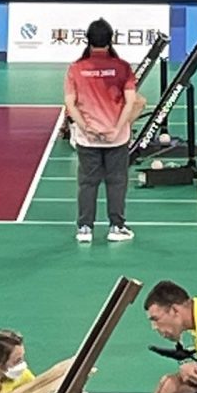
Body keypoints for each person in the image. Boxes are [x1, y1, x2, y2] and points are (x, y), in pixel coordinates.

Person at [64, 18, 140, 244]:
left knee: (87, 183)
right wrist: (117, 128)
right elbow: (131, 102)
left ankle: (85, 228)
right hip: (116, 138)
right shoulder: (123, 67)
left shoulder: (76, 69)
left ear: (87, 40)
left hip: (87, 139)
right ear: (111, 40)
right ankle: (117, 227)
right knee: (116, 182)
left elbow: (70, 104)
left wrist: (85, 127)